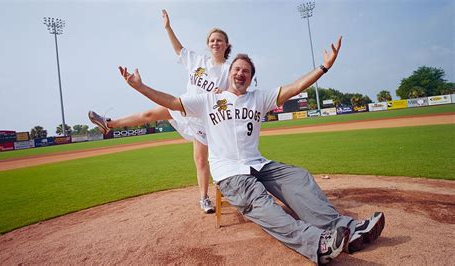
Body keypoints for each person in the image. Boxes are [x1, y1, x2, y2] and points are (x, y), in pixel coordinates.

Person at [117, 36, 386, 264]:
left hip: (259, 164)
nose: (240, 73)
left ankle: (348, 228)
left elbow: (293, 88)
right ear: (229, 74)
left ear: (251, 78)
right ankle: (319, 244)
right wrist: (140, 87)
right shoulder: (209, 100)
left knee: (298, 177)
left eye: (246, 71)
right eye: (237, 69)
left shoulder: (259, 98)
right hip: (229, 172)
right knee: (261, 203)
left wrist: (323, 68)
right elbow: (172, 102)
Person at [89, 10, 232, 214]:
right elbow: (178, 49)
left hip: (207, 120)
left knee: (203, 160)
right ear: (208, 44)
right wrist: (167, 27)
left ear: (226, 45)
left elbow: (235, 94)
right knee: (148, 115)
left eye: (219, 40)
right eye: (212, 40)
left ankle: (205, 198)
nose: (215, 43)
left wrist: (224, 93)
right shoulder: (198, 61)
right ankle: (108, 124)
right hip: (183, 107)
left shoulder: (229, 69)